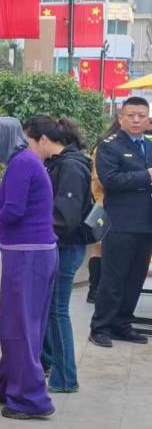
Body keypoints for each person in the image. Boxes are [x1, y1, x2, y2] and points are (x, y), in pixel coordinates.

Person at [0, 117, 57, 420]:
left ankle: (29, 399)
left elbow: (14, 210)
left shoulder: (21, 163)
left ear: (0, 140)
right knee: (21, 325)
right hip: (32, 253)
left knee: (20, 327)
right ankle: (10, 385)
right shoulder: (24, 161)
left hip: (28, 255)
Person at [24, 116, 92, 394]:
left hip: (66, 246)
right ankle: (49, 362)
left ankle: (66, 378)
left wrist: (36, 229)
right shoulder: (57, 163)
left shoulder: (71, 166)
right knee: (50, 308)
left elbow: (66, 217)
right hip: (58, 245)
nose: (27, 148)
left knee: (57, 310)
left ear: (43, 140)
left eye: (28, 142)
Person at [89, 97, 152, 347]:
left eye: (141, 116)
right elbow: (110, 180)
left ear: (148, 120)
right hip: (120, 222)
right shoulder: (109, 146)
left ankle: (122, 324)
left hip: (146, 223)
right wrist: (146, 175)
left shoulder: (149, 145)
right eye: (131, 115)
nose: (136, 120)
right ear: (121, 118)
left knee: (135, 278)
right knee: (113, 278)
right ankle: (101, 327)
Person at [86, 120, 118, 303]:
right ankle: (94, 290)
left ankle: (97, 290)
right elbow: (100, 179)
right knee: (100, 248)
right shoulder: (105, 146)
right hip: (104, 204)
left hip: (104, 203)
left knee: (100, 248)